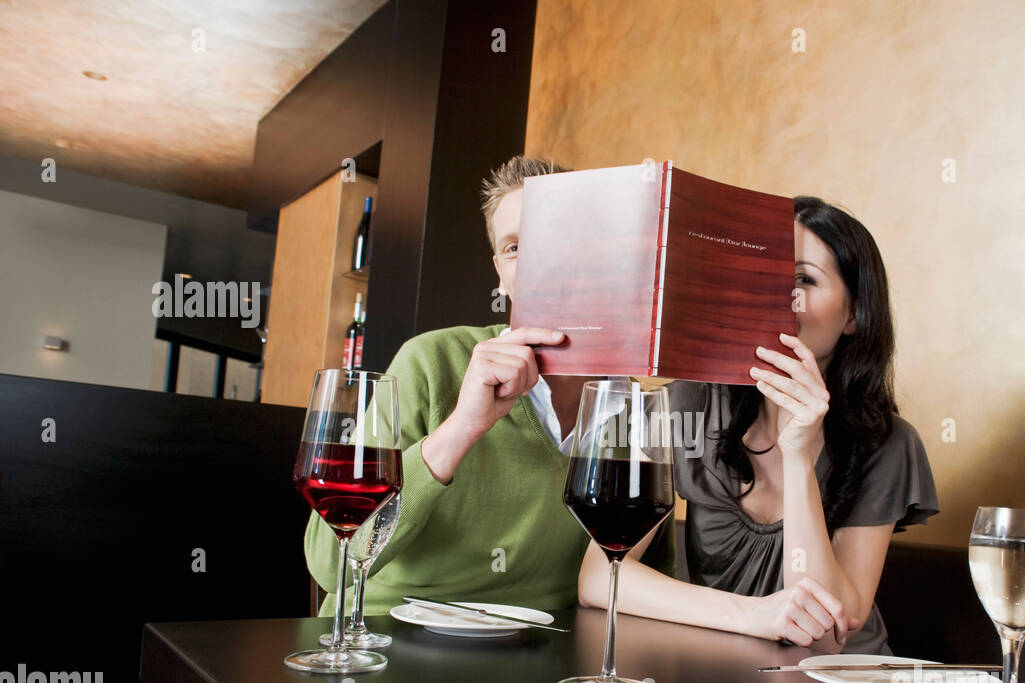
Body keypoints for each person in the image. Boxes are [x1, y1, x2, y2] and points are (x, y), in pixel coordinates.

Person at [304, 155, 675, 616]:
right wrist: (462, 427)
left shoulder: (638, 407)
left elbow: (636, 582)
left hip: (543, 657)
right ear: (500, 268)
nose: (537, 259)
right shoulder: (429, 360)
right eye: (516, 247)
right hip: (388, 642)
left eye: (556, 236)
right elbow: (330, 560)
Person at [577, 196, 938, 653]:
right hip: (728, 674)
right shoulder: (684, 407)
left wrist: (798, 459)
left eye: (804, 279)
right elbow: (598, 578)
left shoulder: (888, 444)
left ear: (854, 315)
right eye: (766, 278)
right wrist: (748, 616)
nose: (777, 297)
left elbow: (827, 634)